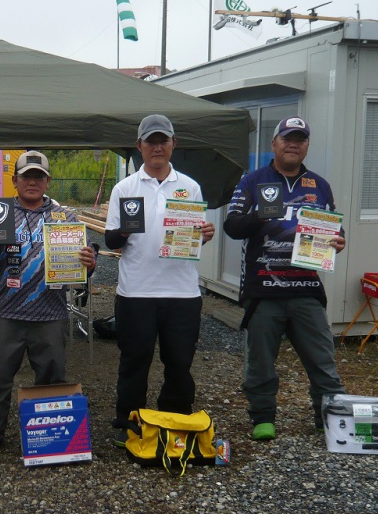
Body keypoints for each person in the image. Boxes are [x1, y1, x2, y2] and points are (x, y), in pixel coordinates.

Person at [223, 116, 347, 441]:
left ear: (306, 146)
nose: (294, 143)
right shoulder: (253, 180)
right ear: (274, 143)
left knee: (323, 360)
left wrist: (338, 239)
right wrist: (261, 214)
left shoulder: (319, 185)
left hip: (307, 290)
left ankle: (333, 420)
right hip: (263, 290)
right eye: (288, 138)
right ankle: (263, 416)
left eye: (301, 139)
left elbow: (334, 227)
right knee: (260, 363)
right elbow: (232, 226)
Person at [0, 151, 98, 457]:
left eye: (38, 176)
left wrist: (89, 260)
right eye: (26, 176)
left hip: (50, 313)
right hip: (6, 312)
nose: (32, 181)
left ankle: (51, 437)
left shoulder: (64, 217)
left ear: (47, 181)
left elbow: (86, 262)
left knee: (52, 377)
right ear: (14, 181)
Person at [104, 114, 215, 447]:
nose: (157, 147)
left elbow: (194, 234)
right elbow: (111, 241)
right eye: (150, 141)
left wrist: (204, 234)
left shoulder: (190, 186)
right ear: (139, 146)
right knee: (134, 362)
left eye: (162, 140)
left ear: (173, 144)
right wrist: (123, 229)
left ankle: (176, 424)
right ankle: (130, 425)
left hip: (182, 293)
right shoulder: (124, 188)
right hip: (136, 292)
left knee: (179, 363)